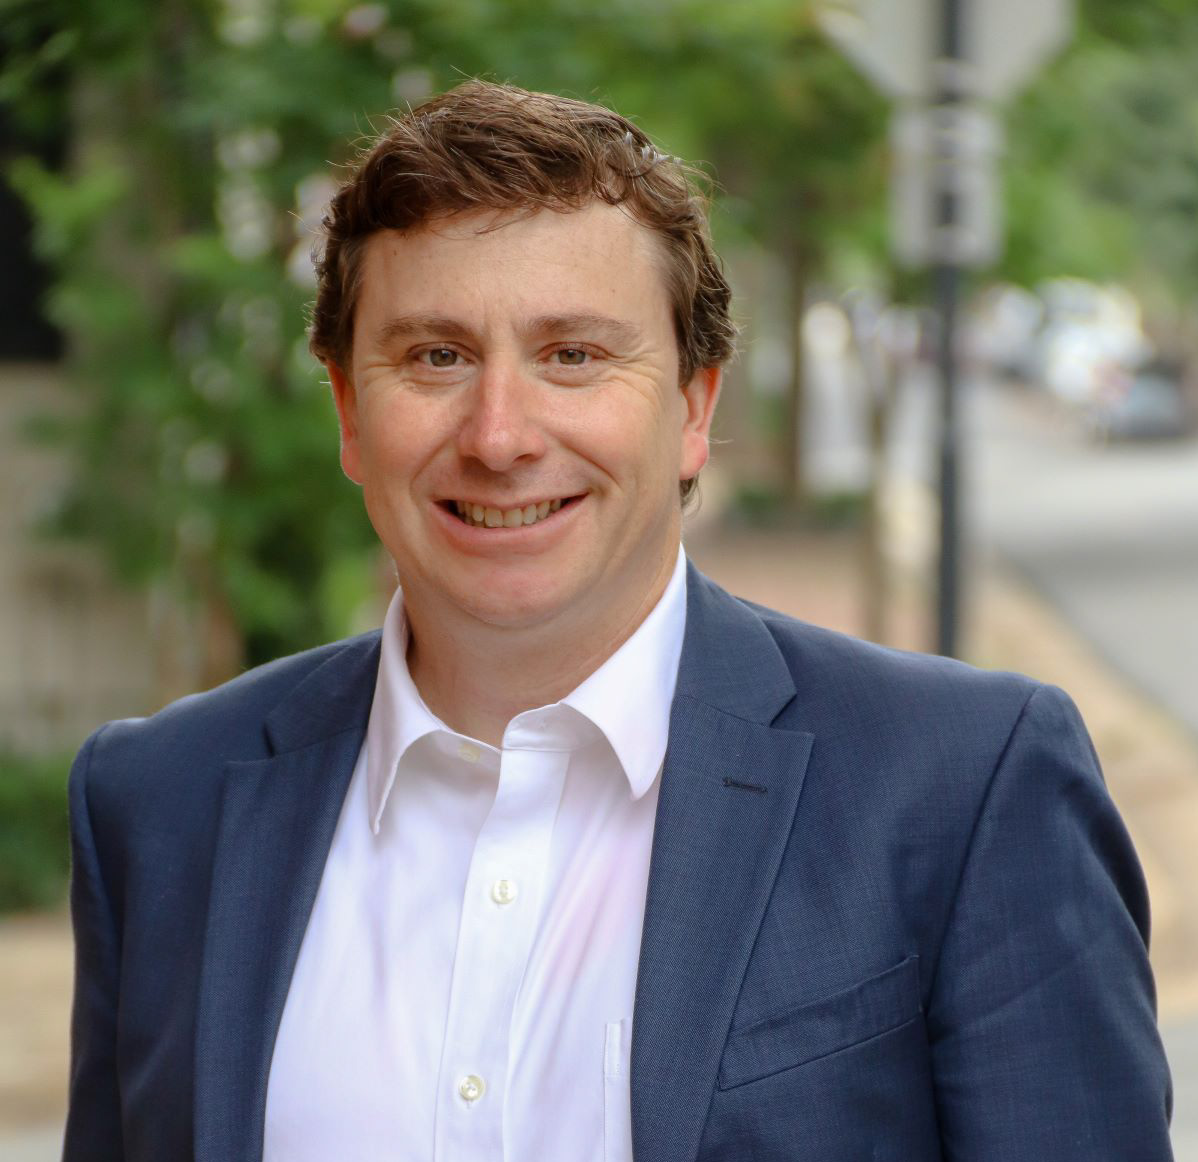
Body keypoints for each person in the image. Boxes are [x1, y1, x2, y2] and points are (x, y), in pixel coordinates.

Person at [63, 80, 1173, 1162]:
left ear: (692, 407)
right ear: (351, 410)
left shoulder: (961, 785)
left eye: (573, 356)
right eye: (435, 357)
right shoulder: (157, 804)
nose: (499, 434)